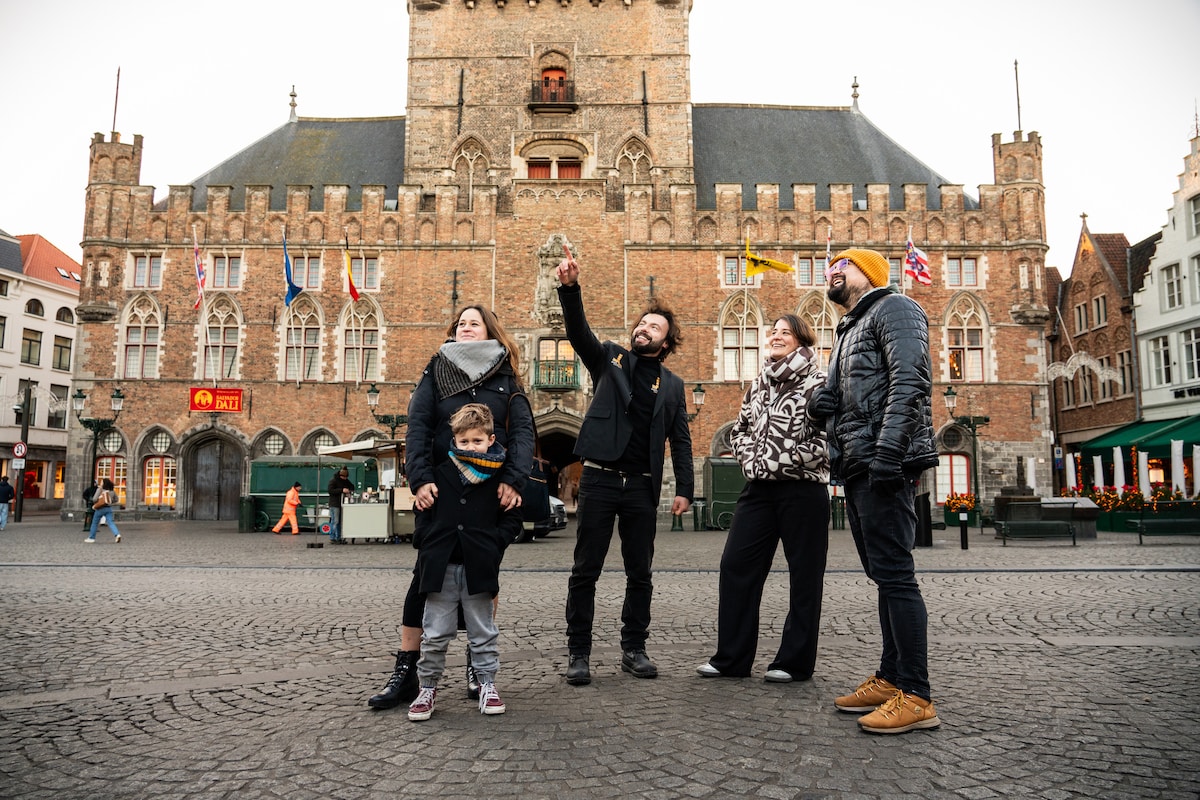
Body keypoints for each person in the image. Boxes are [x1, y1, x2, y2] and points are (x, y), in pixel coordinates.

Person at [367, 305, 535, 710]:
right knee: (422, 582)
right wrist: (420, 478)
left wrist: (514, 480)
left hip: (488, 495)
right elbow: (419, 425)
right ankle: (408, 670)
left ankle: (479, 670)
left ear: (489, 331)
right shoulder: (436, 370)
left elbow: (524, 431)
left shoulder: (506, 376)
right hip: (441, 492)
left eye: (473, 322)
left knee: (484, 573)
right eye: (460, 323)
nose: (465, 327)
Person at [807, 248, 941, 735]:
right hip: (858, 464)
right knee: (884, 574)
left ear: (869, 272)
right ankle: (891, 677)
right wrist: (823, 404)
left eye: (841, 264)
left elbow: (910, 381)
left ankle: (918, 695)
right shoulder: (847, 329)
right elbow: (857, 394)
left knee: (898, 576)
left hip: (885, 462)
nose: (832, 271)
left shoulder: (896, 308)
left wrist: (889, 453)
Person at [555, 252, 694, 685]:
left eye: (654, 327)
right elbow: (579, 334)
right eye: (641, 323)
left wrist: (684, 488)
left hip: (641, 486)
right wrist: (571, 288)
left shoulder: (672, 386)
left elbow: (682, 441)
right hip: (598, 478)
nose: (643, 329)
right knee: (585, 570)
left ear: (666, 343)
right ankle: (579, 653)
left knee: (640, 572)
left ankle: (634, 648)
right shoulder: (610, 359)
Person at [695, 315, 830, 683]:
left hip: (804, 489)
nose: (776, 336)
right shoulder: (759, 384)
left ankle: (793, 662)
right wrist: (753, 459)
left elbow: (829, 439)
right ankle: (731, 659)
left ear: (803, 341)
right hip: (758, 490)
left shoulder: (821, 382)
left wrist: (780, 460)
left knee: (804, 577)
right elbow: (739, 430)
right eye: (773, 332)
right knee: (736, 566)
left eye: (785, 332)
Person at [406, 403, 524, 721]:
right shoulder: (440, 473)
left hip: (478, 566)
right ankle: (427, 688)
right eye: (464, 441)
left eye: (477, 440)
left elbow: (513, 518)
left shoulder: (501, 478)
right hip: (440, 566)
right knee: (435, 634)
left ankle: (487, 684)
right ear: (454, 441)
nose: (470, 446)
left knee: (482, 632)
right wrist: (425, 539)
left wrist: (494, 544)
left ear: (490, 439)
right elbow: (422, 509)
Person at [85, 478, 121, 543]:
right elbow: (116, 499)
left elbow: (94, 499)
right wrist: (109, 502)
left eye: (101, 482)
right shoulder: (112, 491)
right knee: (110, 522)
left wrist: (99, 500)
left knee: (95, 523)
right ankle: (117, 534)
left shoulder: (100, 489)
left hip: (100, 508)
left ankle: (91, 538)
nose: (100, 483)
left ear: (103, 483)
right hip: (108, 508)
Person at [327, 467, 354, 543]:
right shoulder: (333, 481)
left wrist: (350, 491)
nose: (345, 478)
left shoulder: (345, 481)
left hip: (341, 504)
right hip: (334, 504)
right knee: (335, 521)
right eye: (344, 477)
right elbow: (330, 491)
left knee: (339, 521)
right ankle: (332, 537)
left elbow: (352, 486)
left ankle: (338, 537)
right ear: (340, 475)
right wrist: (341, 490)